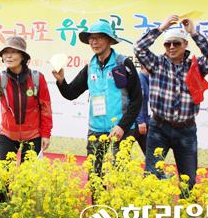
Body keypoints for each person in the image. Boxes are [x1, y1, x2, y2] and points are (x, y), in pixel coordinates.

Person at [134, 15, 208, 191]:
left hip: (186, 130)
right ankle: (149, 209)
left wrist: (194, 33)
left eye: (176, 43)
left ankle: (186, 209)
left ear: (185, 44)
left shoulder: (196, 65)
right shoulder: (156, 63)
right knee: (151, 177)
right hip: (158, 128)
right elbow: (138, 48)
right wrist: (161, 29)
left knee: (188, 181)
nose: (171, 47)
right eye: (167, 44)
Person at [52, 21, 142, 177]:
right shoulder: (90, 66)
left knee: (119, 177)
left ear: (109, 40)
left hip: (121, 129)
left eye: (99, 37)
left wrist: (122, 126)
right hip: (96, 129)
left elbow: (137, 99)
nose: (94, 42)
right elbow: (71, 93)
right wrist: (61, 81)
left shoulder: (122, 64)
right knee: (94, 177)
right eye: (91, 38)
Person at [134, 63, 150, 155]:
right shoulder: (140, 79)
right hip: (139, 123)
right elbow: (138, 101)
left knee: (150, 153)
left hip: (145, 121)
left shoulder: (147, 79)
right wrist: (140, 121)